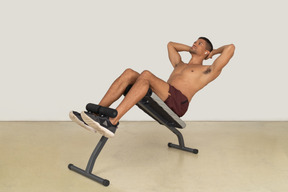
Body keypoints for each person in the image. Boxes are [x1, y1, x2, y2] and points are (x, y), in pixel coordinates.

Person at [70, 37, 235, 138]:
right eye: (194, 41)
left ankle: (112, 121)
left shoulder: (207, 70)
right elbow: (170, 45)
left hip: (178, 102)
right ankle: (95, 113)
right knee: (129, 73)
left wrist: (213, 53)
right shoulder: (179, 64)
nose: (194, 43)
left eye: (199, 43)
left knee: (146, 75)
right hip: (165, 95)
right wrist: (191, 48)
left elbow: (231, 48)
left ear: (206, 52)